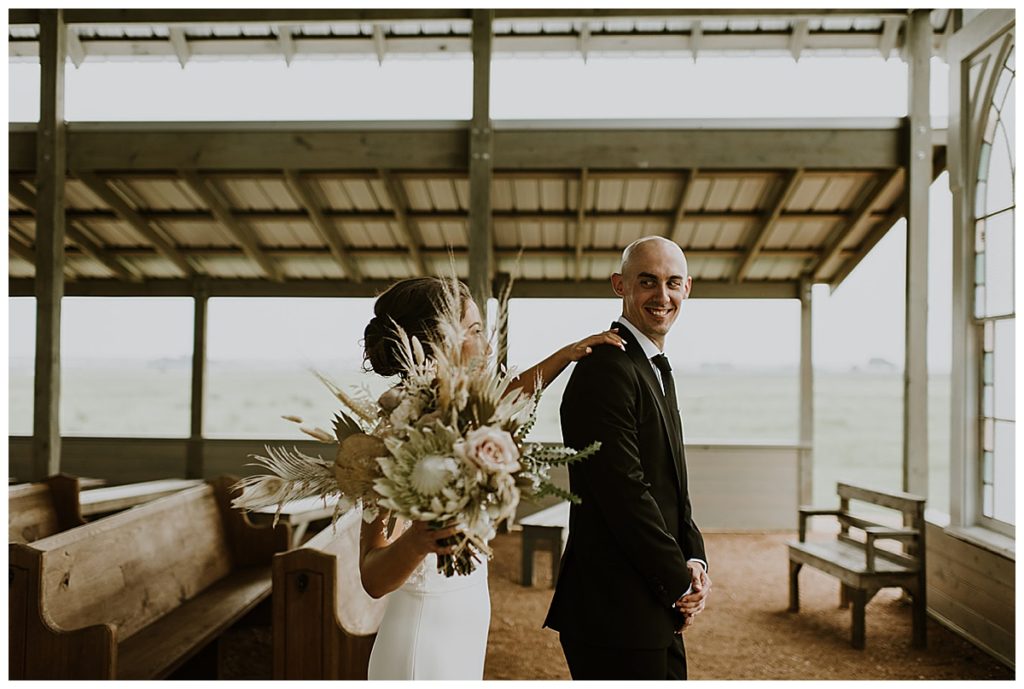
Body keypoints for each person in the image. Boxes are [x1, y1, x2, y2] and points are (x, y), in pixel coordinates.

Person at [358, 276, 624, 680]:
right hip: (422, 634)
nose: (485, 345)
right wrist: (418, 540)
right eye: (476, 331)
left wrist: (568, 354)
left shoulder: (463, 414)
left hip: (469, 616)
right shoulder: (389, 437)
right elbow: (373, 577)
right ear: (437, 339)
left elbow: (512, 394)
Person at [544, 236, 711, 680]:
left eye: (673, 283)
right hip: (613, 612)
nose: (663, 296)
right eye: (648, 281)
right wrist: (678, 582)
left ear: (688, 288)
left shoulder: (650, 364)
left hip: (651, 607)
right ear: (620, 285)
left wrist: (695, 559)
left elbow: (671, 481)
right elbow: (624, 492)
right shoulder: (606, 368)